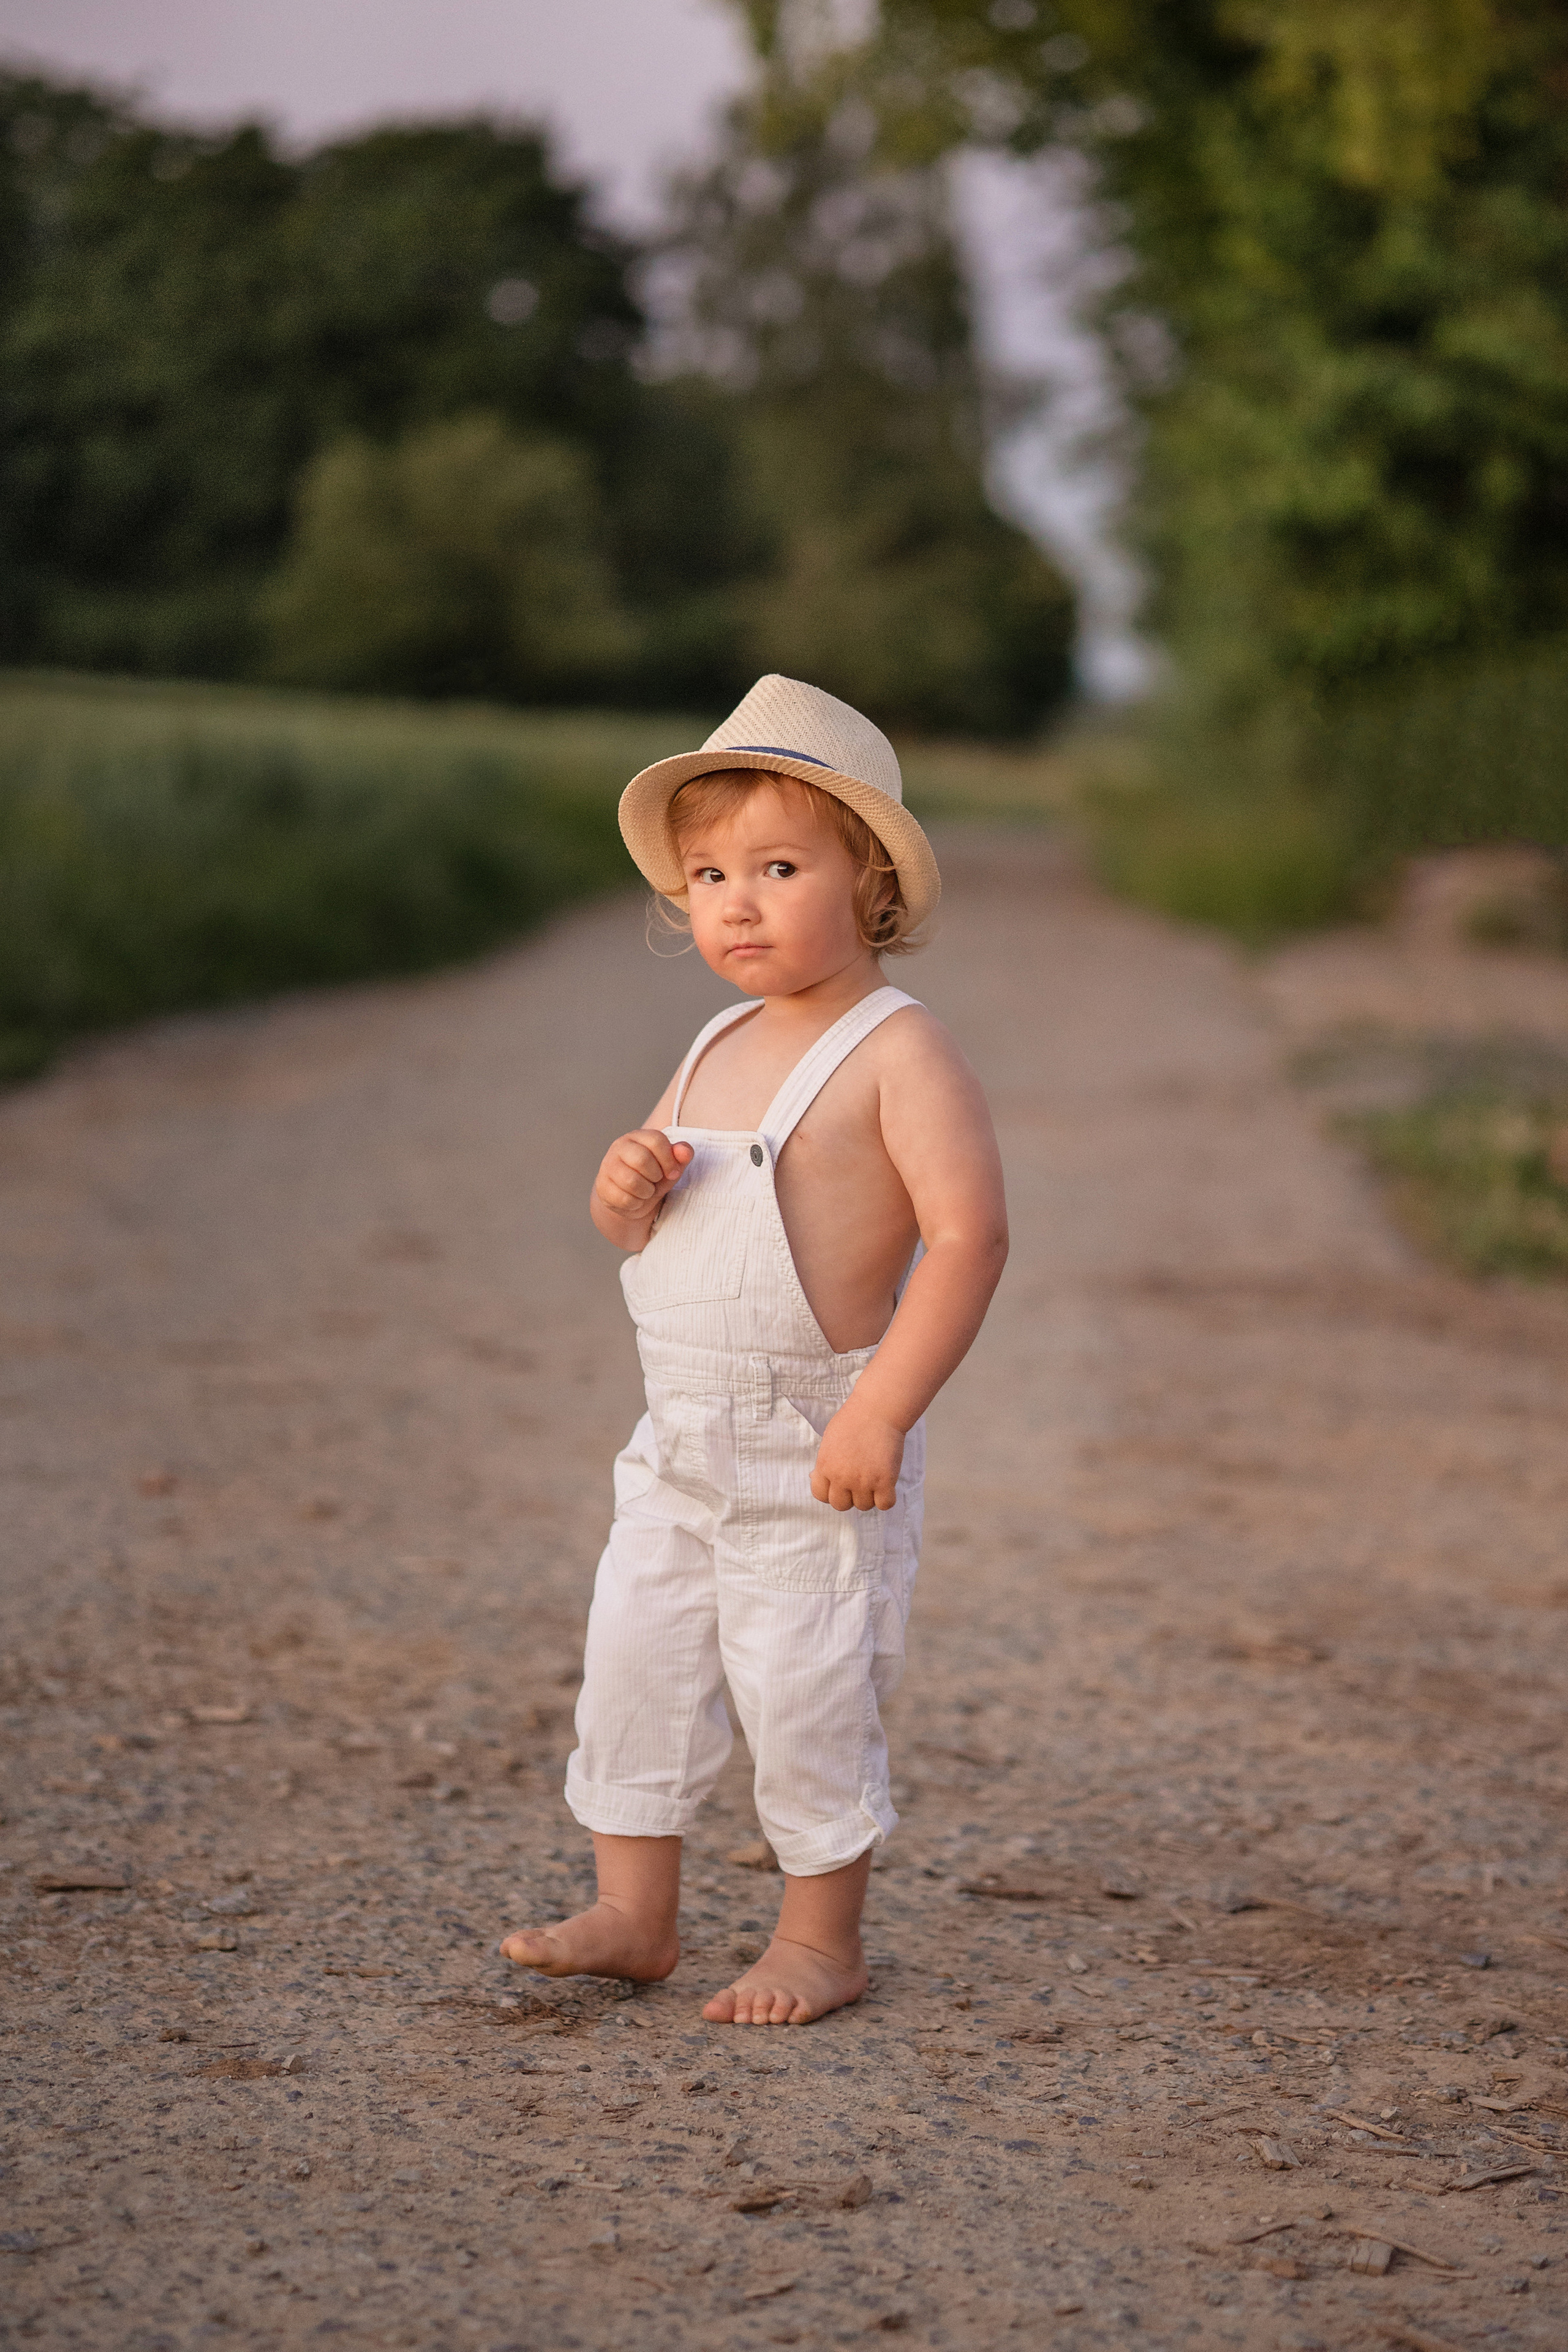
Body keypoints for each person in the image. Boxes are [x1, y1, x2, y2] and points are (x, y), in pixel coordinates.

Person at [502, 675, 1008, 2024]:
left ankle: (818, 1941)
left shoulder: (899, 1053)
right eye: (708, 872)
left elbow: (966, 1242)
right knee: (636, 1660)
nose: (733, 900)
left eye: (778, 868)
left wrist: (881, 1413)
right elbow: (652, 1216)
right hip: (673, 1436)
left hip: (810, 1438)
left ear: (872, 890)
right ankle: (634, 1909)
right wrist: (623, 1187)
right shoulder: (714, 1037)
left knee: (807, 1685)